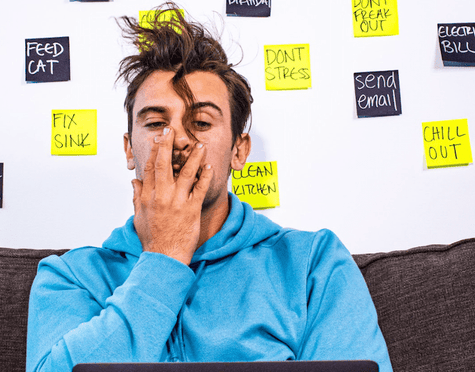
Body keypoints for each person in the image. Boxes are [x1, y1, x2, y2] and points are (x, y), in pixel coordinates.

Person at [26, 3, 393, 372]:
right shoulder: (70, 277)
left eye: (201, 122)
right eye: (155, 123)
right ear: (128, 149)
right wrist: (165, 258)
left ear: (238, 150)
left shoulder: (313, 264)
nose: (178, 139)